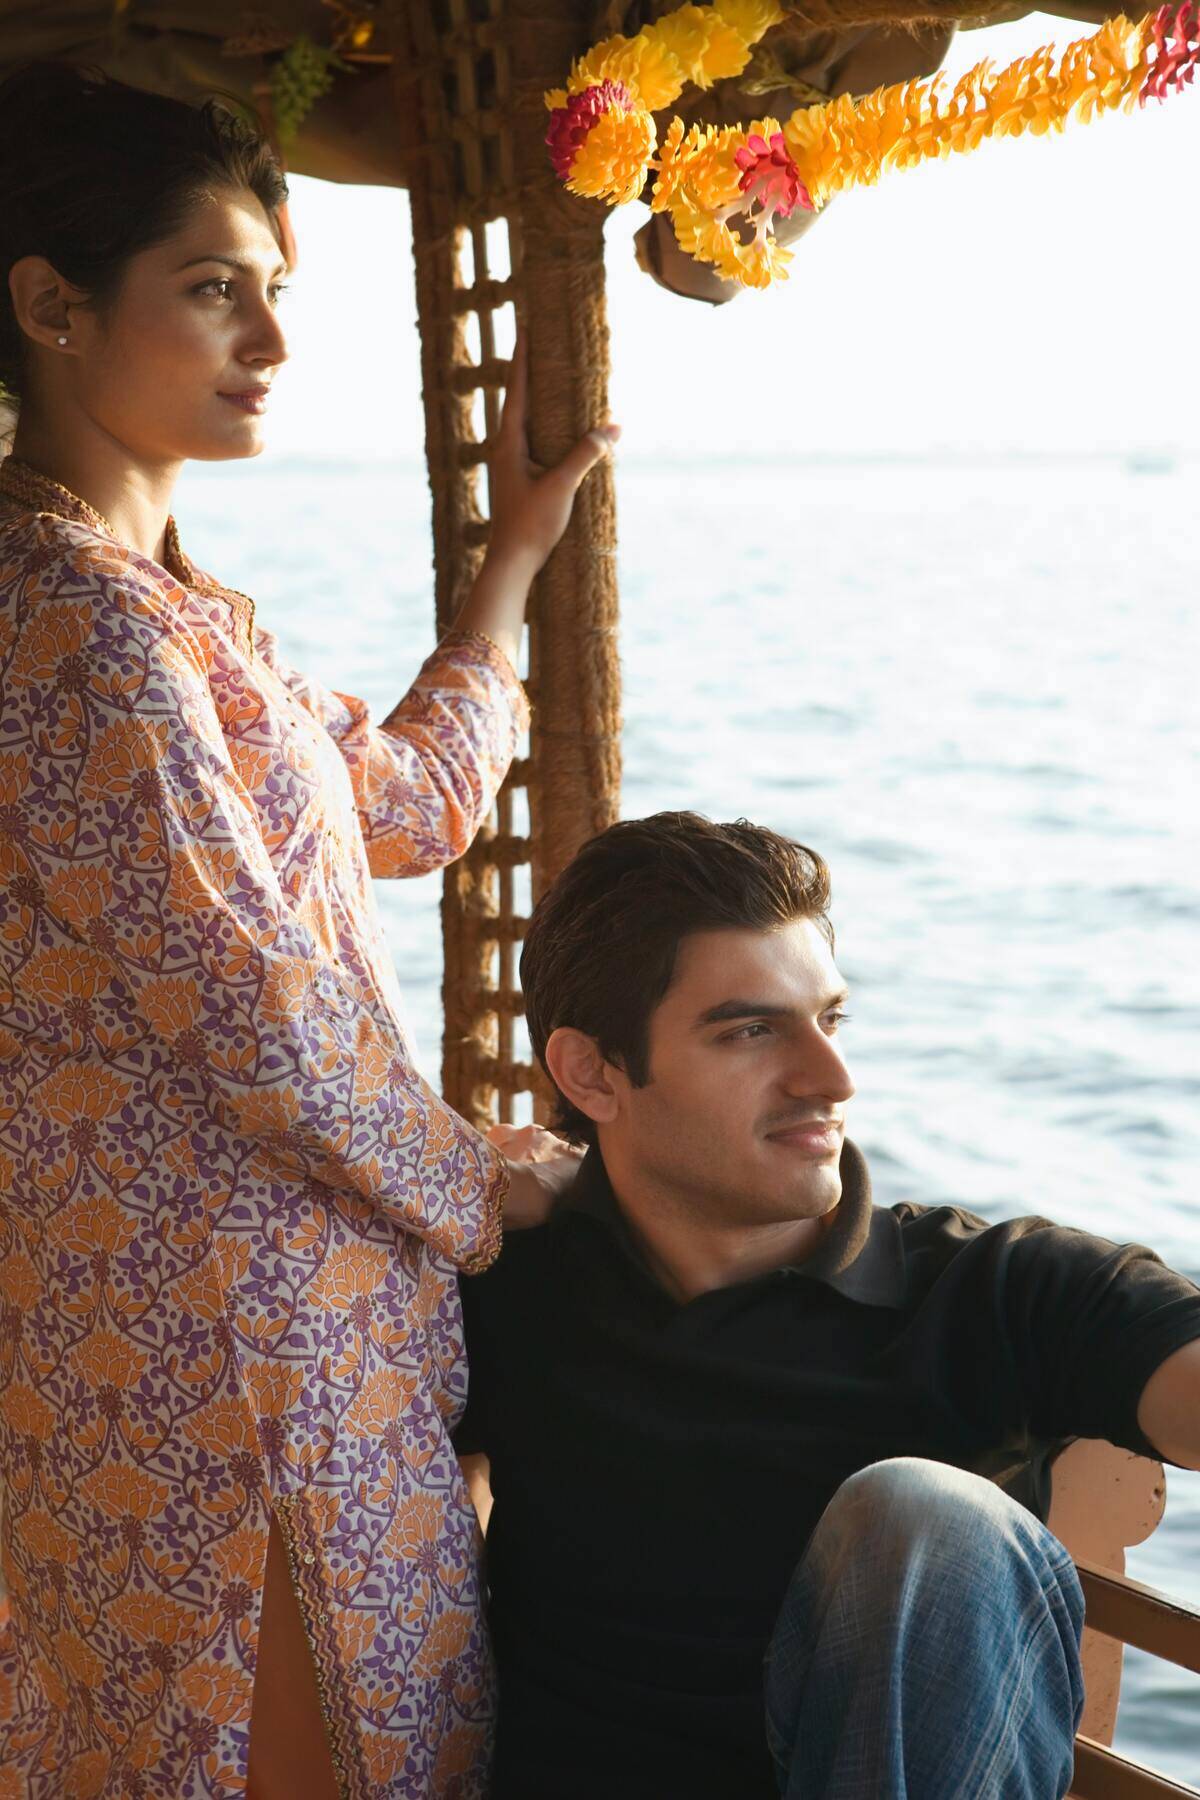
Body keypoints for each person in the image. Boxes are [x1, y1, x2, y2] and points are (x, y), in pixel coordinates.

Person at [0, 62, 614, 1800]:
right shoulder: (68, 629)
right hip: (212, 1350)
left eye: (278, 289)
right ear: (50, 305)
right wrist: (488, 1179)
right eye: (212, 289)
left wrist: (512, 558)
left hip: (292, 1323)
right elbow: (257, 1018)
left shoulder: (184, 621)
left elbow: (408, 802)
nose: (268, 336)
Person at [456, 810, 1200, 1799]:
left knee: (924, 1517)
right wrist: (446, 1180)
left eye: (832, 1020)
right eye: (752, 1031)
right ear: (593, 1072)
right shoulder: (504, 1288)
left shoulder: (989, 1290)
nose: (832, 1078)